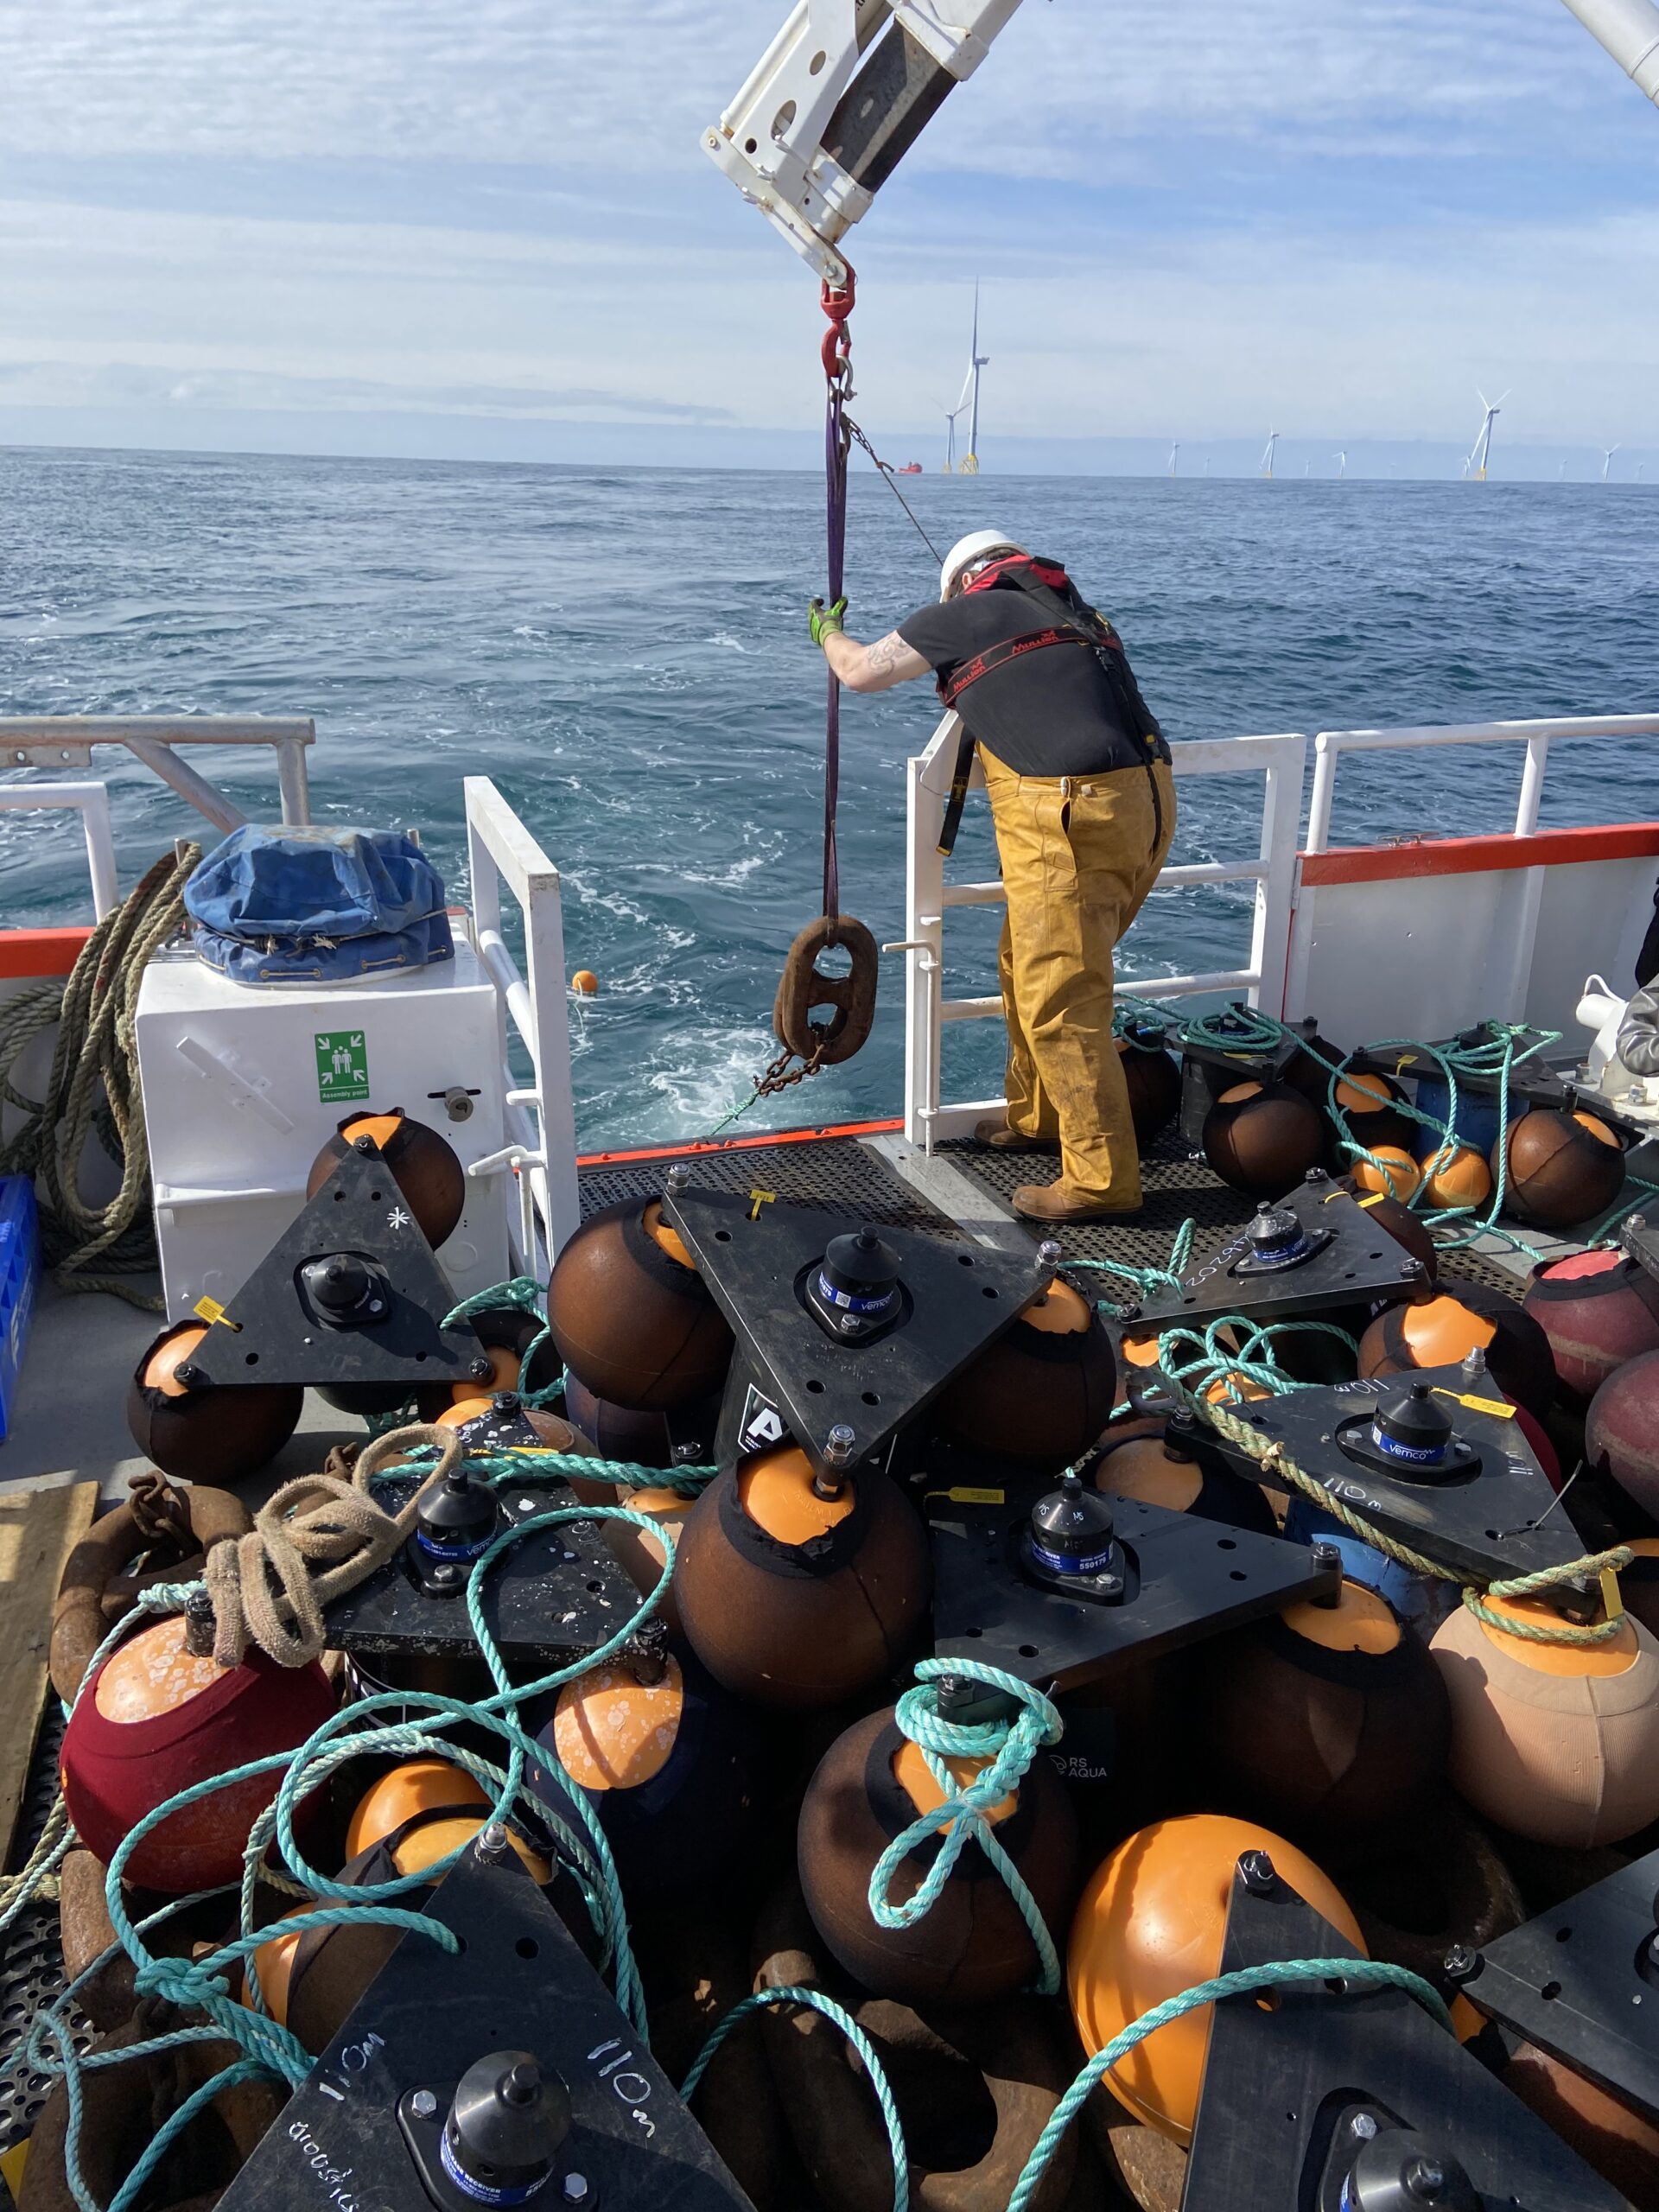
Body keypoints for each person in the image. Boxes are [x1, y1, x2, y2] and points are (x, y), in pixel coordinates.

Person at [810, 529, 1175, 1224]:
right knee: (1024, 964)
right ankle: (1038, 1117)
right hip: (1146, 806)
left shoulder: (963, 615)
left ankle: (1100, 1182)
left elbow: (859, 672)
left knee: (1061, 1000)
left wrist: (829, 632)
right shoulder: (1080, 616)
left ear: (961, 584)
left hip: (1073, 814)